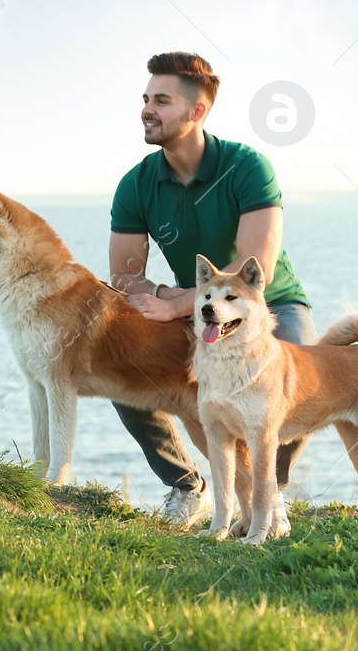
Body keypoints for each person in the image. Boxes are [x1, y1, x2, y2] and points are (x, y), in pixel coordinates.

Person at [109, 51, 314, 526]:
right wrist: (165, 301)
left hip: (268, 303)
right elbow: (123, 274)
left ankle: (268, 495)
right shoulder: (136, 184)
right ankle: (187, 486)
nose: (147, 109)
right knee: (122, 360)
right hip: (194, 309)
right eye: (145, 98)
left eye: (161, 100)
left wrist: (178, 302)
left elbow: (253, 264)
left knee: (301, 368)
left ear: (197, 111)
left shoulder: (247, 167)